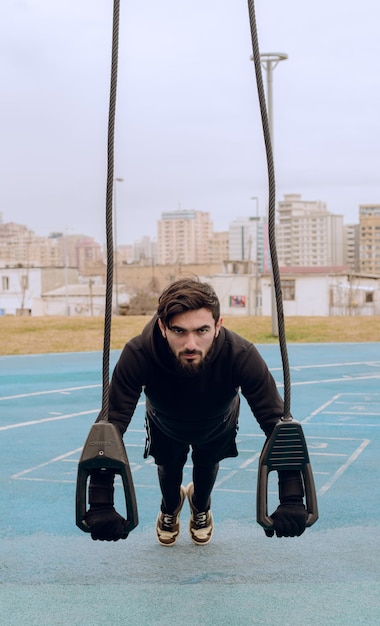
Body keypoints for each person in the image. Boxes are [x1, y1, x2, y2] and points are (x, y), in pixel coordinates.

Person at [84, 277, 308, 545]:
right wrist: (100, 502)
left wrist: (292, 498)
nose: (191, 344)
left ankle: (201, 508)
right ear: (162, 327)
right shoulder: (139, 353)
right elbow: (111, 424)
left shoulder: (241, 354)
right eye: (179, 331)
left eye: (201, 331)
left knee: (206, 469)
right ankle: (170, 507)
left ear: (218, 326)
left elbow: (276, 422)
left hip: (218, 423)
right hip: (163, 423)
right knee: (168, 471)